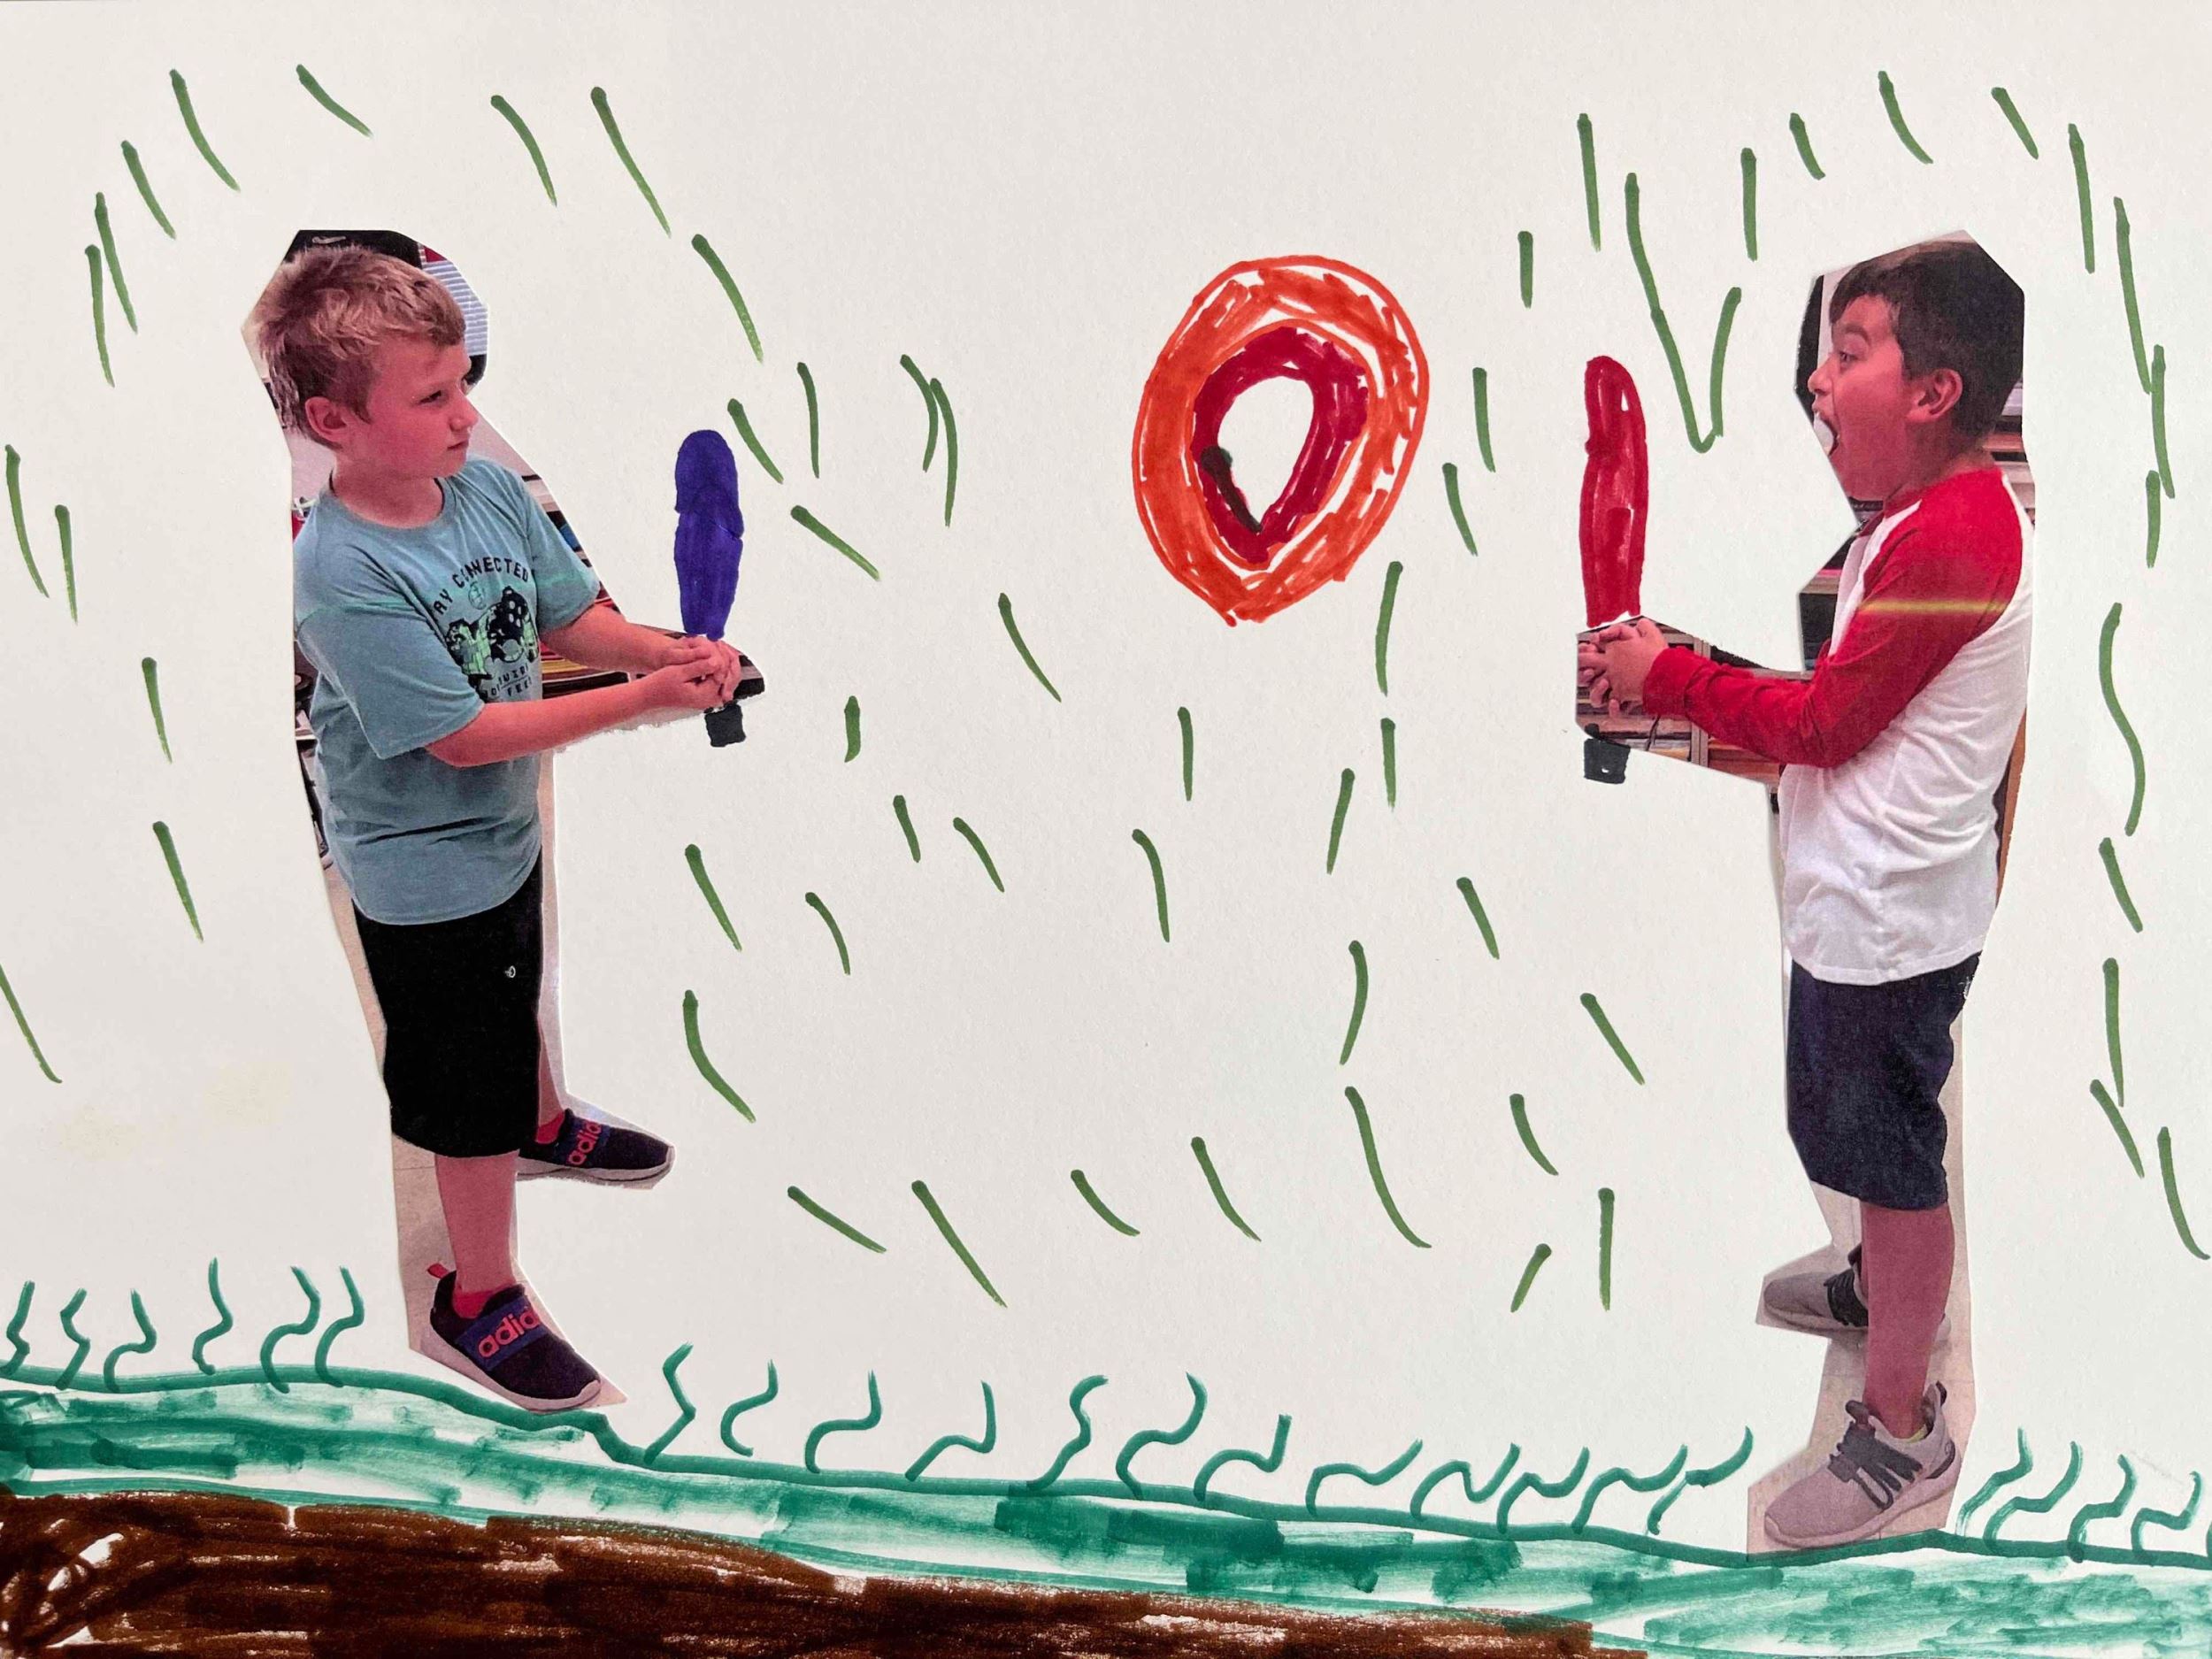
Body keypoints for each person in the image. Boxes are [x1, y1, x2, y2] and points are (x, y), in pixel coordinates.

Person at [1580, 239, 2029, 1548]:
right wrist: (1673, 688)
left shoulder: (1956, 535)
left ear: (1934, 392)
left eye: (1848, 354)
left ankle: (1902, 1426)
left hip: (1891, 926)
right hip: (1866, 903)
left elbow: (1826, 726)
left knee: (1888, 1160)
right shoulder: (1922, 516)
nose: (1818, 385)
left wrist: (1664, 676)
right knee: (1841, 1130)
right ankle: (1884, 1285)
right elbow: (1844, 719)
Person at [251, 245, 742, 1411]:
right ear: (333, 423)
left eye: (463, 383)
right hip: (421, 878)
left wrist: (664, 650)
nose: (467, 415)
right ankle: (476, 1298)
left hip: (498, 837)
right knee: (461, 1086)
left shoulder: (482, 491)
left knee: (516, 994)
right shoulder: (339, 571)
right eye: (433, 397)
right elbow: (464, 738)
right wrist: (642, 700)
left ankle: (540, 1122)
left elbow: (569, 619)